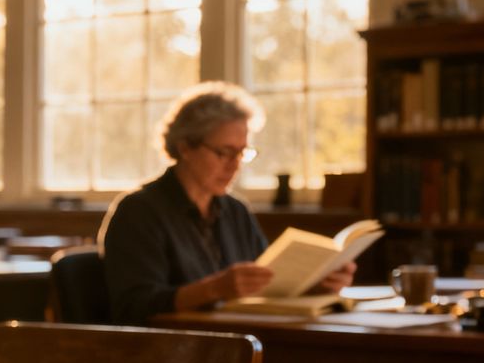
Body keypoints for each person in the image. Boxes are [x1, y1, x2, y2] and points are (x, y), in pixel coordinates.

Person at [98, 81, 354, 324]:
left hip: (237, 341)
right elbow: (133, 307)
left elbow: (265, 285)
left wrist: (315, 285)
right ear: (185, 147)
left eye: (241, 153)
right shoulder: (139, 211)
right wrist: (214, 289)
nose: (235, 165)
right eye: (224, 152)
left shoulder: (235, 210)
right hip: (170, 351)